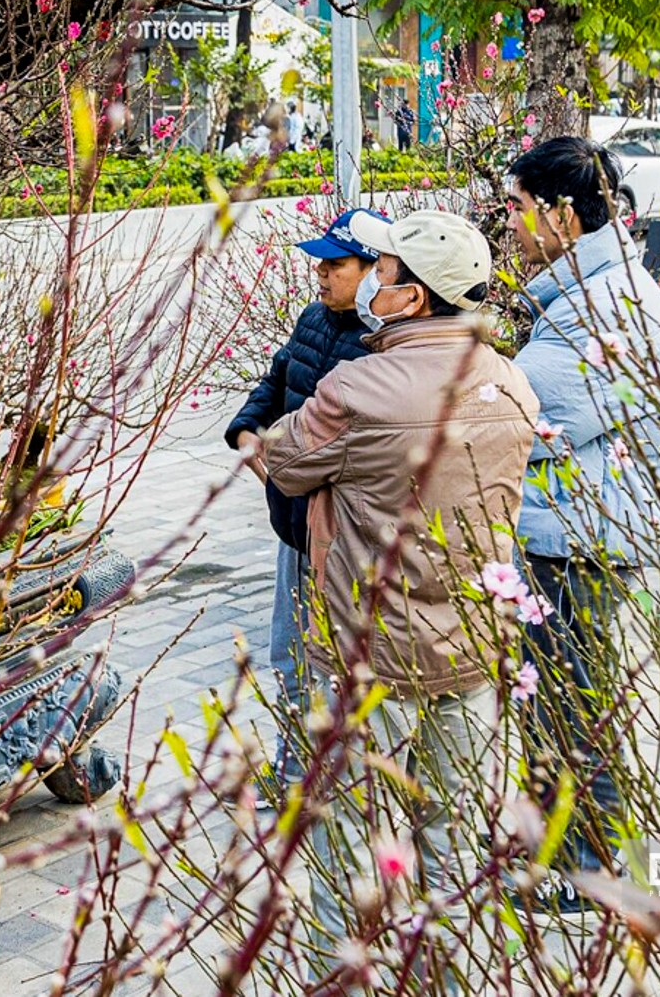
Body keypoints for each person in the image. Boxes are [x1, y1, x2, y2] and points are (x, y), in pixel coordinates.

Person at [262, 210, 539, 934]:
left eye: (383, 272)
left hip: (373, 648)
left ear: (412, 297)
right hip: (474, 645)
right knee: (456, 838)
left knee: (351, 839)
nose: (371, 282)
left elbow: (285, 461)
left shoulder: (360, 389)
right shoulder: (512, 383)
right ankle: (452, 969)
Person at [503, 136, 660, 888]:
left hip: (587, 534)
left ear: (560, 216)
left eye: (518, 208)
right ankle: (566, 852)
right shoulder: (593, 286)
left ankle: (590, 864)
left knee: (571, 704)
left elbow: (528, 410)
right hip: (583, 525)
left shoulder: (602, 300)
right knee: (563, 698)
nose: (510, 225)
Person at [226, 209, 383, 783]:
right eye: (320, 261)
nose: (321, 273)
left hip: (342, 540)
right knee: (288, 657)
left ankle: (336, 780)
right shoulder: (314, 318)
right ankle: (292, 769)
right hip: (292, 526)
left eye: (336, 263)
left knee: (336, 666)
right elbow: (275, 380)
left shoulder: (385, 345)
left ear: (375, 271)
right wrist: (247, 431)